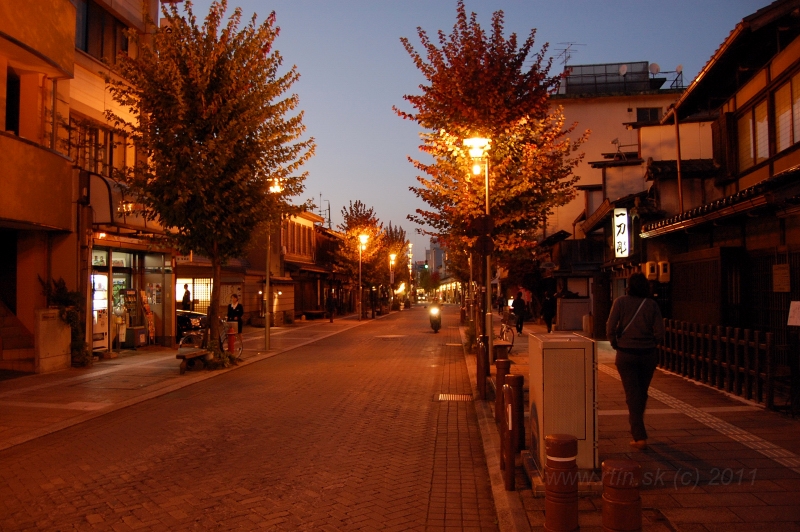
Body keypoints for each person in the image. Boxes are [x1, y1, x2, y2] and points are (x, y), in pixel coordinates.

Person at [606, 272, 665, 451]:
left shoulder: (620, 302)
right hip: (647, 354)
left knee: (633, 394)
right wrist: (652, 342)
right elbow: (660, 332)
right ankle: (639, 430)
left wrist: (615, 343)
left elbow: (610, 326)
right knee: (642, 392)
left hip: (626, 354)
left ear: (629, 286)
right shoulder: (652, 305)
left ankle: (639, 436)